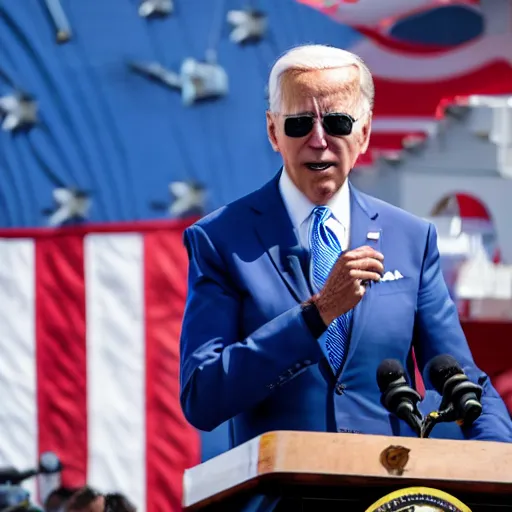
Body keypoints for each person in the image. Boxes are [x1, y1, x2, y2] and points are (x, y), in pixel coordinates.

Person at [179, 44, 512, 448]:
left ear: (365, 132)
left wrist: (499, 463)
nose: (318, 140)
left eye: (337, 122)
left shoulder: (411, 238)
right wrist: (316, 315)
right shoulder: (221, 238)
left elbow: (461, 380)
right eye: (299, 124)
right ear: (273, 132)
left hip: (390, 497)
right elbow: (202, 397)